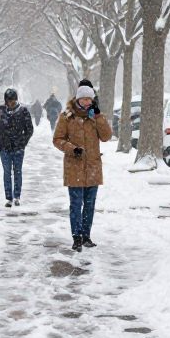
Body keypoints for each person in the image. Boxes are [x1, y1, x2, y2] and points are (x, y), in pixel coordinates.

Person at [53, 84, 113, 251]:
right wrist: (72, 149)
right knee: (76, 204)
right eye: (85, 99)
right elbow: (57, 139)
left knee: (89, 205)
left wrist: (99, 116)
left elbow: (106, 136)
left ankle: (86, 236)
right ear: (78, 99)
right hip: (74, 168)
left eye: (90, 99)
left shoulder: (95, 116)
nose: (88, 102)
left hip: (93, 168)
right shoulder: (67, 116)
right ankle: (77, 237)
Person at [0, 88, 34, 207]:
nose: (11, 103)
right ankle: (9, 197)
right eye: (9, 101)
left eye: (13, 101)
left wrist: (23, 142)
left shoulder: (23, 111)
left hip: (18, 148)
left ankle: (17, 196)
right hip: (4, 147)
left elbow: (29, 129)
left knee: (17, 172)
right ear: (6, 101)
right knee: (7, 172)